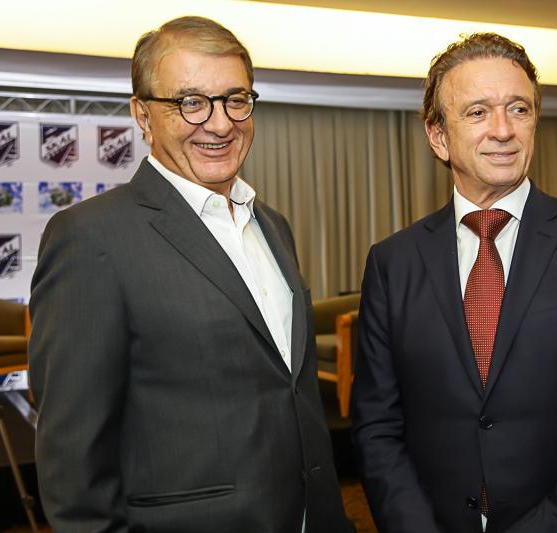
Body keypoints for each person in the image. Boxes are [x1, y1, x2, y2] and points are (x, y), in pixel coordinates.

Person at [29, 16, 351, 533]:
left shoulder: (272, 225)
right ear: (143, 114)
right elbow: (73, 459)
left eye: (235, 99)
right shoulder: (90, 237)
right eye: (191, 102)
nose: (220, 124)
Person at [351, 33, 557, 533]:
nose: (503, 130)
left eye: (518, 109)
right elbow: (376, 427)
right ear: (438, 135)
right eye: (478, 112)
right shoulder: (392, 263)